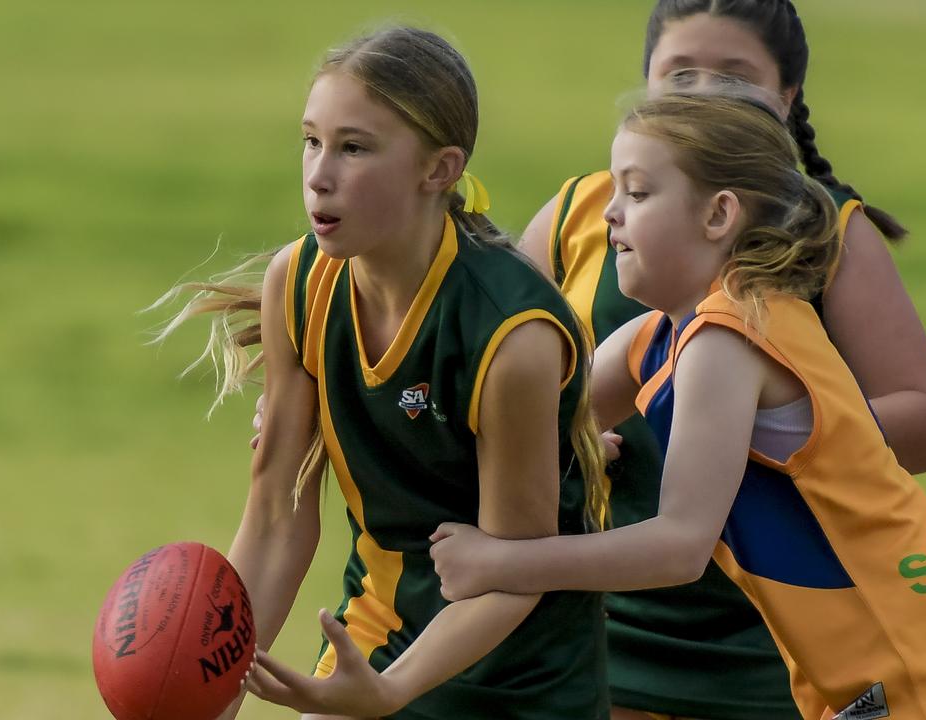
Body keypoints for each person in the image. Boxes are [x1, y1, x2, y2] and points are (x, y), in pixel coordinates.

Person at [429, 87, 926, 720]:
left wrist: (503, 562)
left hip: (921, 684)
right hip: (893, 676)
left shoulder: (728, 337)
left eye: (637, 193)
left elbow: (678, 547)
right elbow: (530, 418)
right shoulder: (665, 333)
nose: (609, 213)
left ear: (719, 215)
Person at [516, 3, 926, 718]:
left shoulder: (824, 232)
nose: (704, 93)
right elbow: (504, 390)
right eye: (681, 72)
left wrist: (760, 435)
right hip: (595, 615)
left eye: (736, 76)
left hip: (776, 638)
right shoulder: (585, 213)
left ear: (786, 99)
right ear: (646, 82)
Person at [160, 26, 609, 720]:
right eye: (311, 140)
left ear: (440, 169)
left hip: (519, 680)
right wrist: (208, 694)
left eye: (354, 147)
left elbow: (513, 575)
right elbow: (277, 513)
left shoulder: (509, 335)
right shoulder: (301, 281)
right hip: (376, 635)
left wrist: (391, 694)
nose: (319, 173)